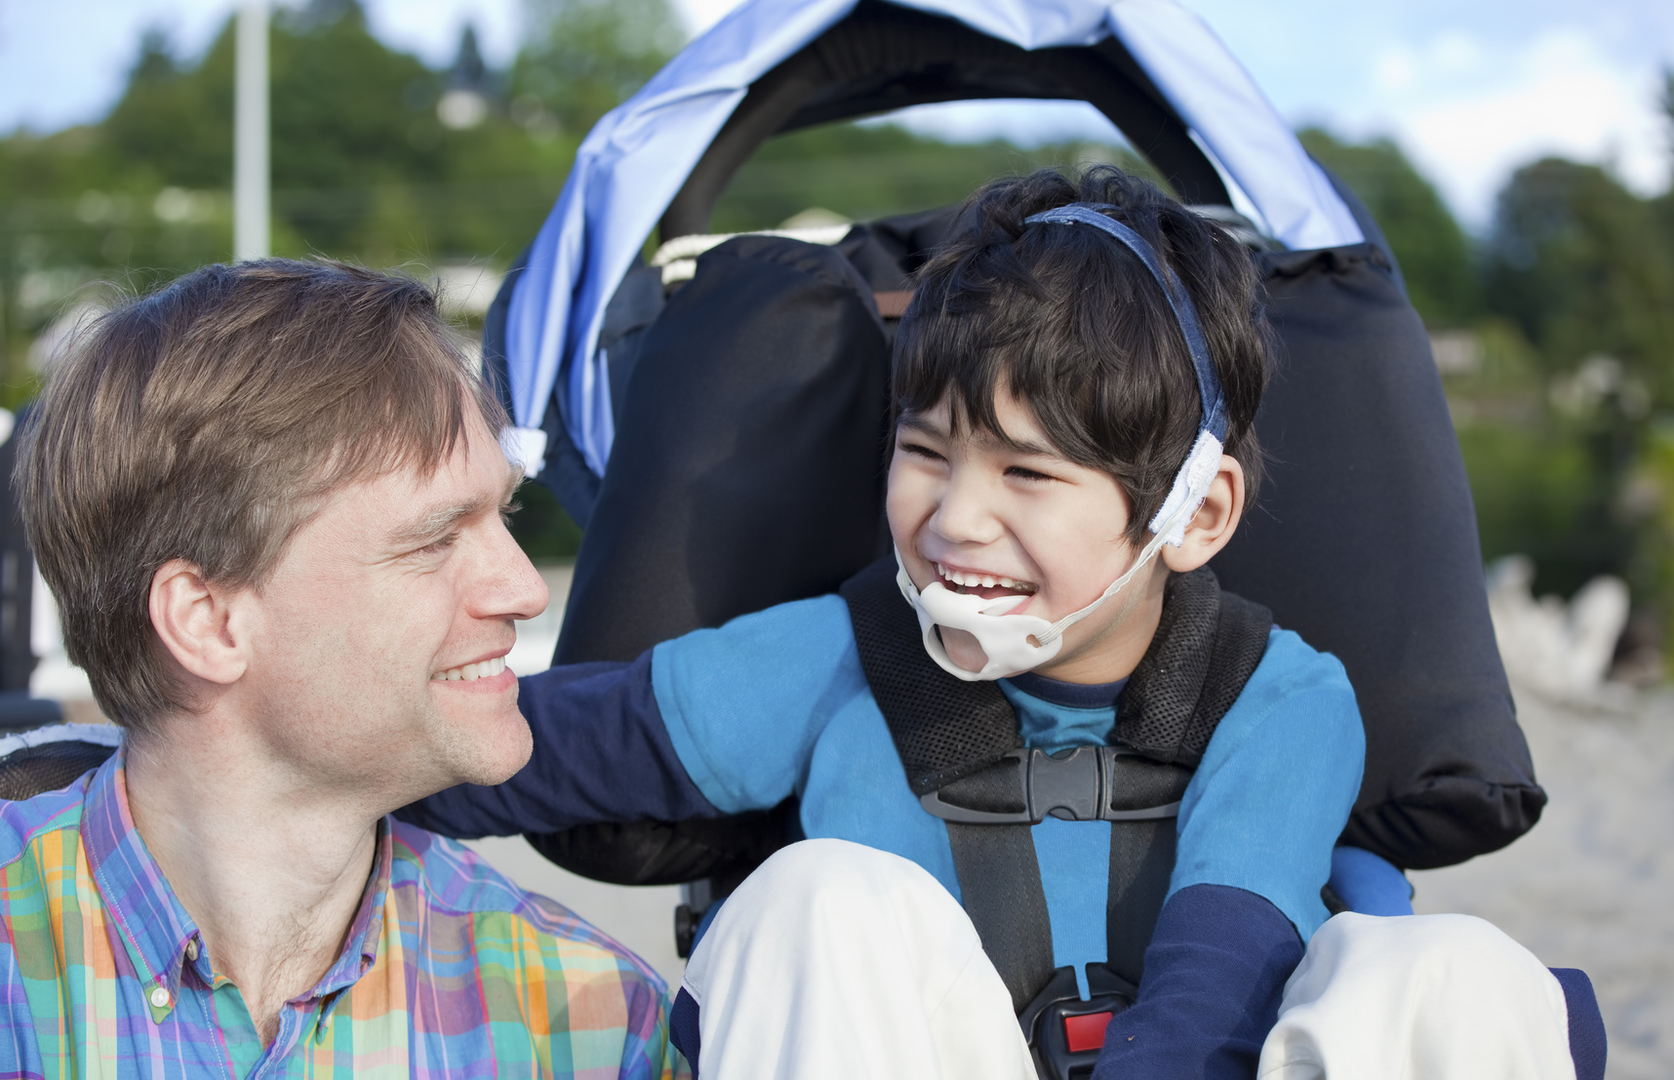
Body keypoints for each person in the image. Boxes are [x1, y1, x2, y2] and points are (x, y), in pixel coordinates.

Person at [404, 168, 1601, 1079]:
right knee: (813, 896)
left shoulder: (1277, 700)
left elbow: (1216, 978)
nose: (954, 519)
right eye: (924, 452)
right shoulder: (837, 660)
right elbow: (533, 745)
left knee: (1454, 969)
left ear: (1195, 514)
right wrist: (307, 748)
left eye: (1028, 476)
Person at [0, 261, 682, 1078]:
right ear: (207, 620)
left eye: (504, 516)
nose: (526, 590)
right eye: (435, 539)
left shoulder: (590, 1027)